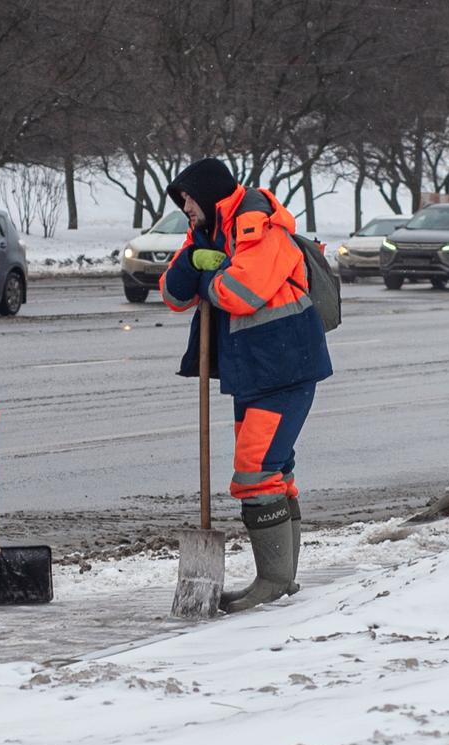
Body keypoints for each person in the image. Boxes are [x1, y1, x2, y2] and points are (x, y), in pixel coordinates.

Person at [160, 158, 333, 613]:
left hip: (284, 367)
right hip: (252, 372)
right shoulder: (209, 231)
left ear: (211, 195)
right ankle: (283, 578)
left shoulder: (259, 225)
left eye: (190, 201)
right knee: (274, 471)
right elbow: (173, 295)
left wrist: (206, 276)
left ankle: (272, 580)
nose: (186, 210)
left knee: (256, 472)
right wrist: (194, 259)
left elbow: (241, 292)